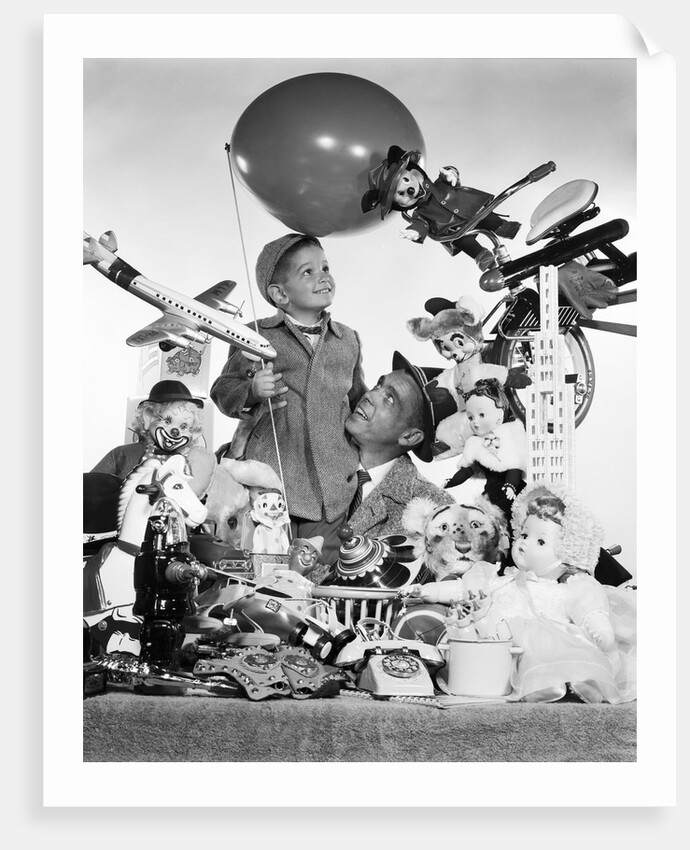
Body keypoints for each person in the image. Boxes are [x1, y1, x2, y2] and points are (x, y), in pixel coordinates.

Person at [210, 233, 367, 566]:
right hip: (272, 484)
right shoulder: (257, 335)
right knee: (268, 570)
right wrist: (251, 391)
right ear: (279, 294)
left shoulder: (348, 339)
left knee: (322, 575)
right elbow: (223, 391)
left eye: (325, 267)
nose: (323, 276)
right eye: (307, 272)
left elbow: (358, 401)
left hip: (334, 486)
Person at [342, 350, 457, 540]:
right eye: (379, 385)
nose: (370, 395)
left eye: (389, 399)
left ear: (410, 437)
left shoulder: (433, 509)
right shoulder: (321, 449)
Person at [90, 380, 215, 498]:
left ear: (194, 432)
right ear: (148, 417)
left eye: (184, 427)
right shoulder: (123, 454)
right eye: (167, 421)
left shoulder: (188, 463)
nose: (175, 432)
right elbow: (92, 485)